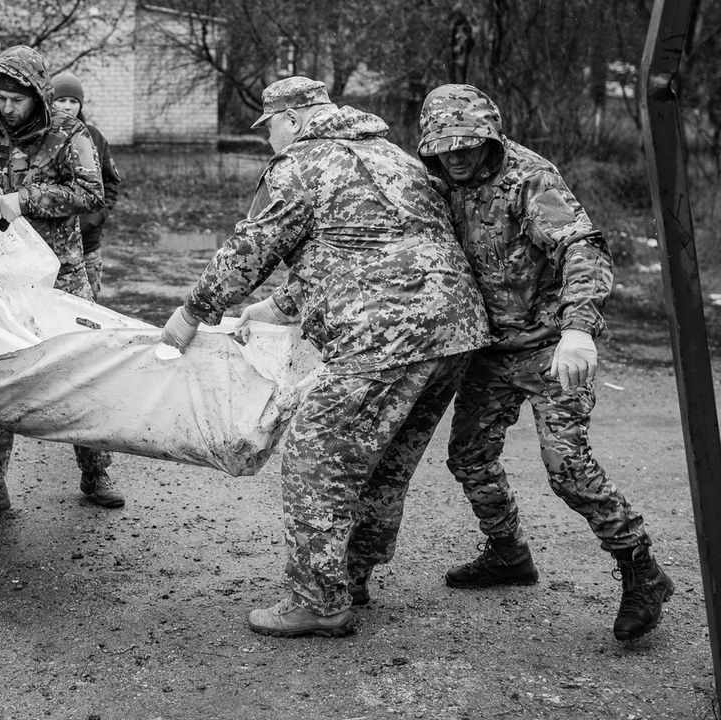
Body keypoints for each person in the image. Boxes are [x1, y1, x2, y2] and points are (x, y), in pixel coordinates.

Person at [159, 77, 490, 638]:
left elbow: (249, 250)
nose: (270, 141)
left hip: (381, 338)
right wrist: (272, 309)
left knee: (316, 458)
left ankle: (319, 599)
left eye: (270, 129)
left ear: (291, 119)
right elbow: (361, 248)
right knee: (384, 463)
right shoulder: (394, 158)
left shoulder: (300, 164)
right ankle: (352, 576)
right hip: (455, 332)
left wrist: (192, 314)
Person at [417, 83, 673, 642]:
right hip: (490, 350)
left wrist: (578, 330)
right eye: (443, 147)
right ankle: (509, 554)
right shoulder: (434, 183)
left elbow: (584, 247)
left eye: (466, 144)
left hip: (551, 348)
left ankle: (641, 568)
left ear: (489, 137)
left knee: (568, 471)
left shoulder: (528, 180)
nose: (455, 156)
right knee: (469, 458)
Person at [0, 45, 124, 526]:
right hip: (0, 270)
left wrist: (21, 198)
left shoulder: (68, 132)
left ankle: (95, 472)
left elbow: (90, 192)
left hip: (61, 272)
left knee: (79, 370)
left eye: (17, 98)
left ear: (37, 95)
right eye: (1, 96)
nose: (7, 107)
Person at [50, 71, 122, 298]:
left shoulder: (93, 137)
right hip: (49, 248)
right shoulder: (41, 137)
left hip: (88, 245)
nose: (68, 106)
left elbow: (110, 181)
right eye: (61, 100)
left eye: (73, 101)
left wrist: (97, 216)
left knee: (89, 313)